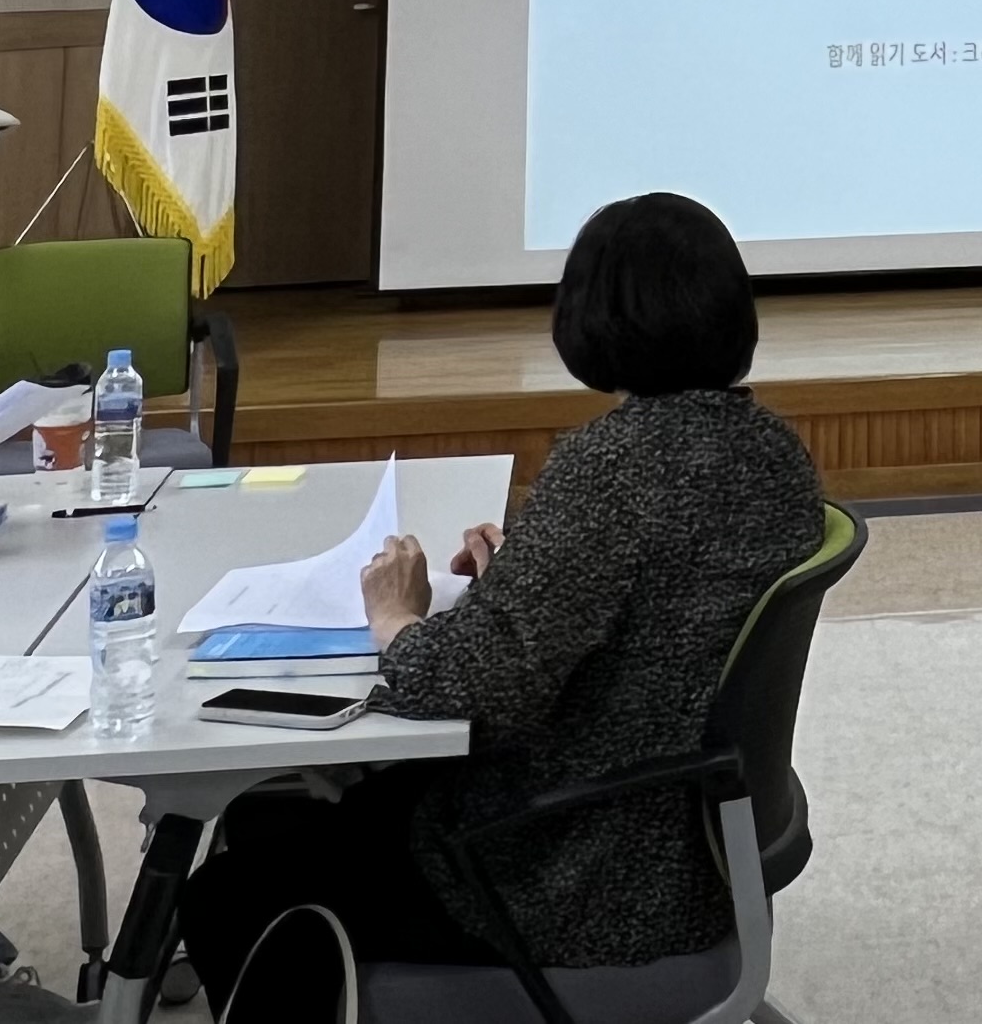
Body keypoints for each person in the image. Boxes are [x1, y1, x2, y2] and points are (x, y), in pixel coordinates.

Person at [175, 193, 826, 998]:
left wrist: (395, 619)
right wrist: (530, 573)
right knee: (282, 818)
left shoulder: (613, 467)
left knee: (222, 895)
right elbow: (668, 599)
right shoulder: (776, 451)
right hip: (690, 841)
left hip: (578, 867)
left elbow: (476, 684)